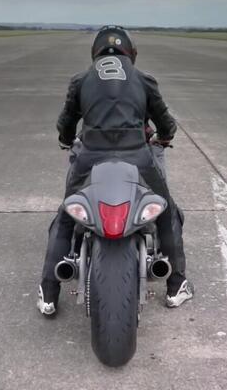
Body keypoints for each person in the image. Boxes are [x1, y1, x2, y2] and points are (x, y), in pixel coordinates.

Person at [37, 25, 193, 316]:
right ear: (131, 53)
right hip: (138, 156)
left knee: (66, 215)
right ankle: (176, 284)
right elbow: (166, 122)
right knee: (166, 211)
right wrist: (165, 138)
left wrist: (66, 139)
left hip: (90, 157)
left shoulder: (81, 80)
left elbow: (66, 124)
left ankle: (48, 292)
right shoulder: (143, 79)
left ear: (95, 52)